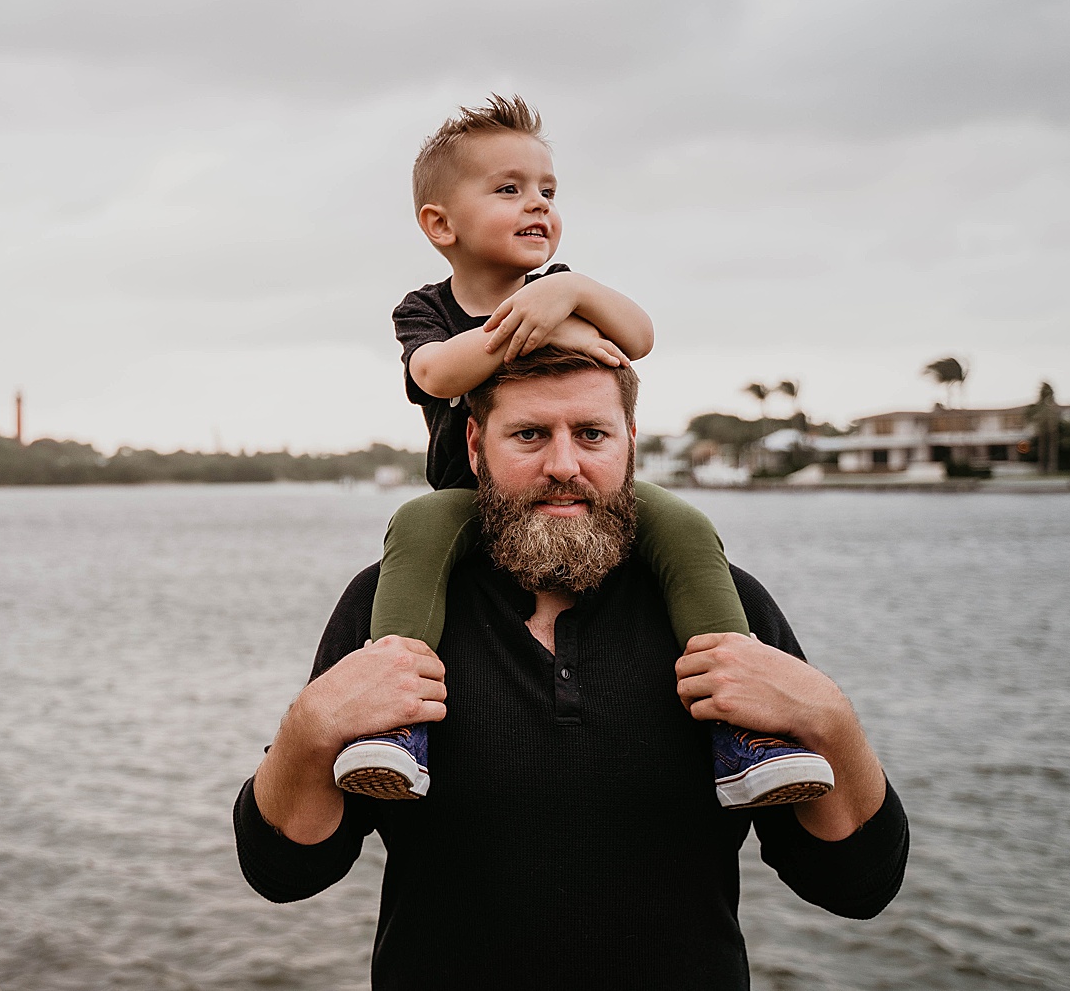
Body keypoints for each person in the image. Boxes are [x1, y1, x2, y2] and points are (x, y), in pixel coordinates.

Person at [234, 349, 909, 988]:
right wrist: (309, 728)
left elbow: (855, 885)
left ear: (630, 443)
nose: (564, 463)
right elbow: (285, 871)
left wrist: (830, 719)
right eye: (529, 435)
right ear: (475, 446)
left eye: (592, 434)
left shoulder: (729, 608)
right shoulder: (387, 607)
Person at [334, 94, 834, 809]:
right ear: (439, 224)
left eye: (548, 190)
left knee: (688, 529)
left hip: (585, 498)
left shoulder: (560, 286)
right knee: (414, 525)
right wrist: (552, 329)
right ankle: (396, 725)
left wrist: (569, 290)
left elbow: (638, 336)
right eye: (508, 188)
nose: (536, 203)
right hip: (471, 498)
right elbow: (438, 374)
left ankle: (744, 733)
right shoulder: (426, 311)